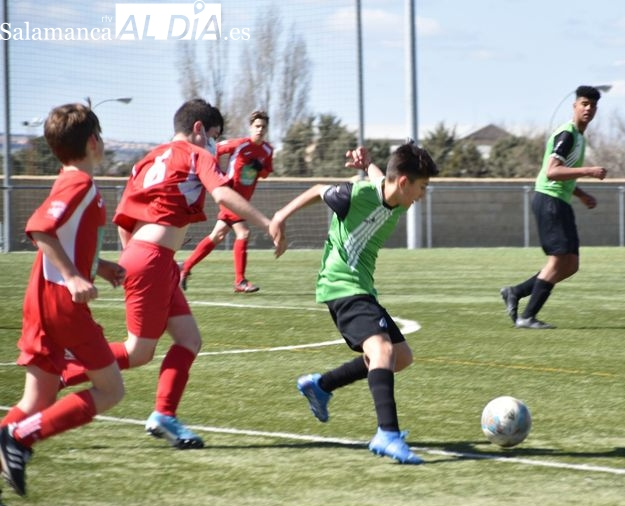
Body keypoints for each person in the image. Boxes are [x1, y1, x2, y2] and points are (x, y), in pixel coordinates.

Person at [59, 99, 285, 449]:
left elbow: (124, 217)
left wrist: (128, 259)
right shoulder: (197, 155)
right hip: (152, 260)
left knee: (189, 339)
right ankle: (68, 368)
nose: (215, 144)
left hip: (151, 258)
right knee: (138, 352)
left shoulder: (148, 159)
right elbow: (223, 193)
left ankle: (164, 415)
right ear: (199, 130)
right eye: (213, 136)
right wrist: (268, 222)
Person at [268, 142, 438, 465]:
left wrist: (369, 163)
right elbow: (320, 190)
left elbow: (383, 180)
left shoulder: (396, 198)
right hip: (340, 285)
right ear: (405, 183)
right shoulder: (355, 195)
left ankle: (321, 386)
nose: (422, 195)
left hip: (362, 288)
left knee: (400, 357)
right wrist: (279, 218)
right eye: (422, 187)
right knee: (383, 352)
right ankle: (387, 434)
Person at [0, 103, 126, 506]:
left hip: (44, 297)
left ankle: (14, 435)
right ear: (93, 142)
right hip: (60, 302)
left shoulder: (71, 181)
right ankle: (20, 438)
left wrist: (99, 267)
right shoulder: (80, 185)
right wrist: (73, 277)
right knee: (110, 390)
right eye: (101, 135)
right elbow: (41, 228)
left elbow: (66, 238)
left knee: (35, 402)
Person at [500, 85, 607, 329]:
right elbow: (552, 171)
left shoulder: (579, 137)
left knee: (571, 265)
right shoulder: (567, 134)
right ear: (575, 106)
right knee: (558, 261)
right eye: (584, 104)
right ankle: (527, 317)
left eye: (592, 105)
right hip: (549, 200)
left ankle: (515, 292)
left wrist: (580, 194)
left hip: (560, 201)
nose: (588, 109)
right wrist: (589, 171)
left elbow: (563, 174)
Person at [180, 110, 274, 293]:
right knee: (243, 233)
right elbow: (214, 150)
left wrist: (260, 168)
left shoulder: (267, 150)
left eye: (263, 127)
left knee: (217, 235)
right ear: (250, 127)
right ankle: (240, 281)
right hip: (229, 195)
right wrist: (217, 175)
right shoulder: (240, 144)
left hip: (243, 200)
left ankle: (186, 267)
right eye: (257, 126)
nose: (260, 130)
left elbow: (265, 173)